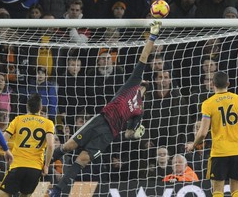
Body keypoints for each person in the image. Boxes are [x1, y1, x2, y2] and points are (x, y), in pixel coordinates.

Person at [50, 21, 162, 196]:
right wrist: (152, 37)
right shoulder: (131, 84)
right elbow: (143, 57)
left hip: (109, 134)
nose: (143, 82)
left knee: (83, 159)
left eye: (145, 83)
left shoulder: (140, 110)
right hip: (100, 120)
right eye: (143, 81)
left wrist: (136, 133)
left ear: (146, 89)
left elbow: (128, 134)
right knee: (69, 146)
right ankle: (42, 162)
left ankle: (56, 190)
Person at [185, 71, 238, 197]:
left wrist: (194, 145)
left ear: (213, 84)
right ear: (228, 83)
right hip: (237, 151)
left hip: (219, 152)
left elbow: (202, 133)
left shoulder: (208, 103)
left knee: (218, 190)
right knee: (237, 191)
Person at [0, 93, 55, 197]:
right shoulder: (48, 123)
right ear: (40, 107)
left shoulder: (18, 119)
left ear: (27, 106)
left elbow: (2, 139)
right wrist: (46, 165)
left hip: (17, 165)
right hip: (35, 168)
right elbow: (50, 145)